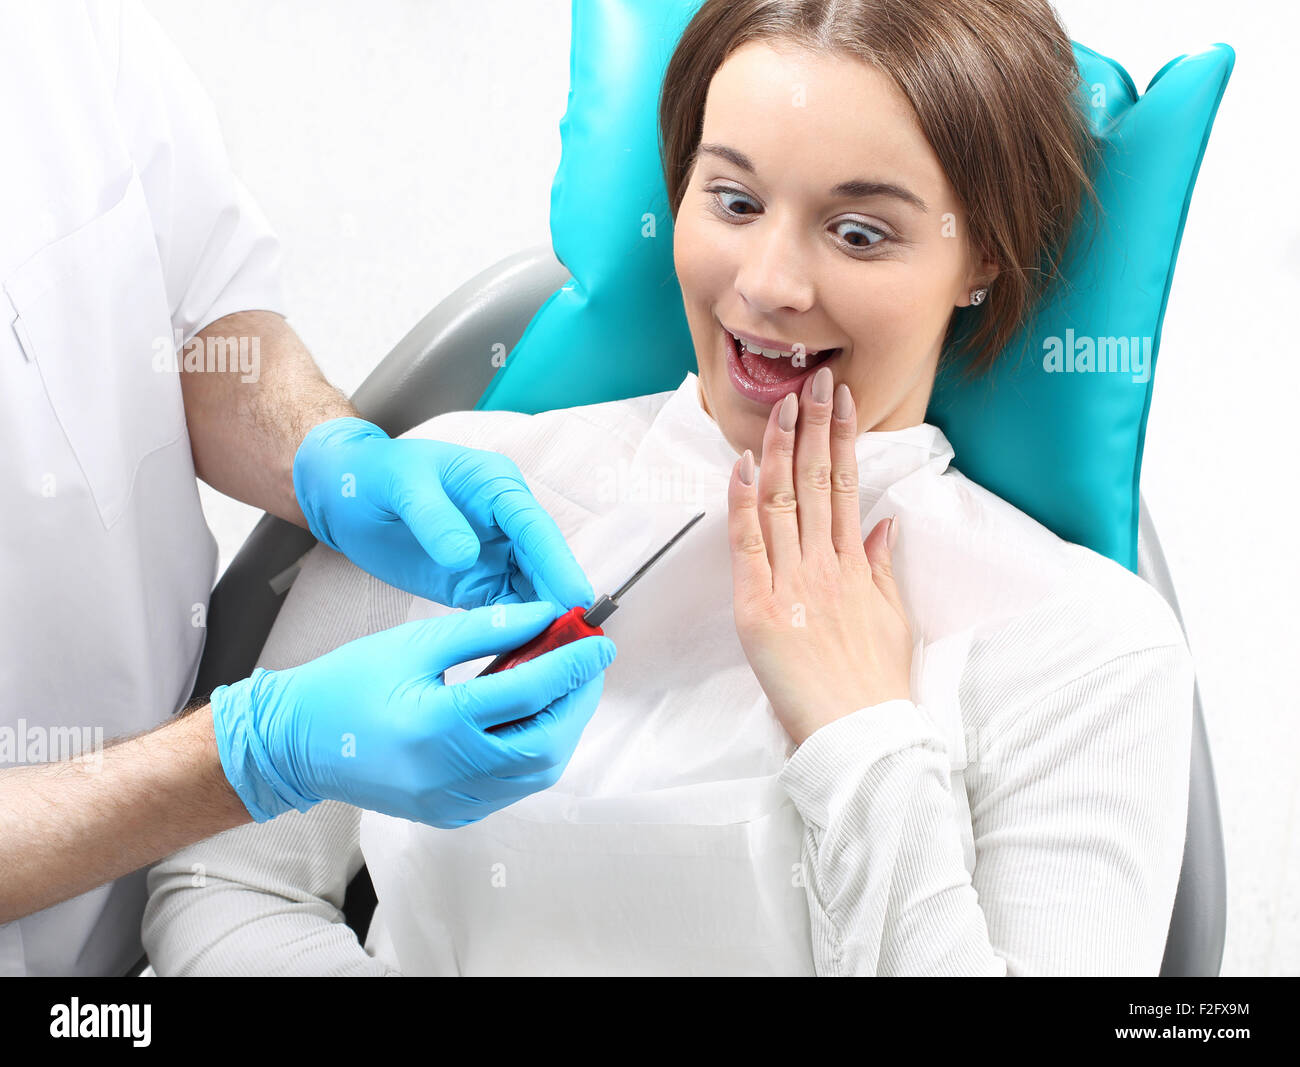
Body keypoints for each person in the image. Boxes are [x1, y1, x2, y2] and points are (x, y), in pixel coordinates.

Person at [142, 0, 1195, 976]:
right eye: (733, 199)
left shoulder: (1087, 646)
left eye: (860, 231)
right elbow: (222, 880)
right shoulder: (451, 504)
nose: (770, 285)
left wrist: (863, 737)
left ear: (984, 265)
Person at [0, 1, 614, 977]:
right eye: (736, 201)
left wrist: (326, 451)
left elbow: (198, 312)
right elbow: (236, 892)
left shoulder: (56, 31)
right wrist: (252, 756)